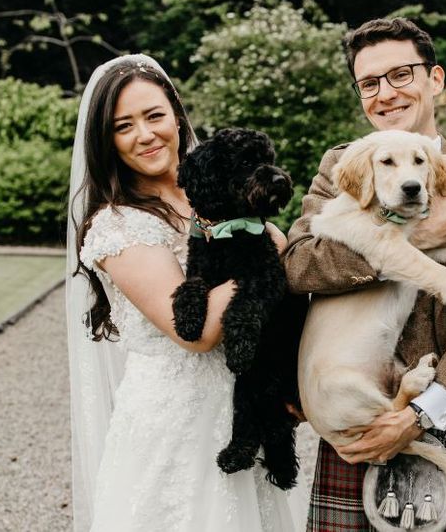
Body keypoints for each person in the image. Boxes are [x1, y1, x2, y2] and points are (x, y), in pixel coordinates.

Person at [284, 18, 446, 531]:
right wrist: (411, 240)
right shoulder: (343, 166)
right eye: (369, 83)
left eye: (401, 75)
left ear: (435, 79)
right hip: (367, 414)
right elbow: (297, 265)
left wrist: (420, 413)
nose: (385, 93)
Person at [65, 54, 306, 532]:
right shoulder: (118, 224)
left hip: (242, 407)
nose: (146, 134)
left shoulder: (223, 195)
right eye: (124, 126)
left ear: (176, 115)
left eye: (154, 116)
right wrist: (266, 252)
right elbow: (194, 333)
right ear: (106, 141)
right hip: (175, 425)